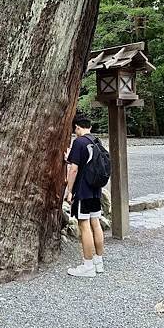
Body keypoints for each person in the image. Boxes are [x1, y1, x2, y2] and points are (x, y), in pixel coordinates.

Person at [65, 115, 105, 278]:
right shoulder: (97, 142)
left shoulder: (79, 142)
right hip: (96, 191)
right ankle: (98, 262)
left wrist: (69, 190)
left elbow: (74, 169)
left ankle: (87, 266)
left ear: (77, 127)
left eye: (75, 130)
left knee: (84, 225)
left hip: (83, 191)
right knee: (96, 223)